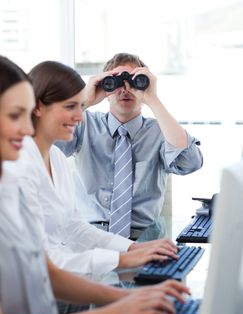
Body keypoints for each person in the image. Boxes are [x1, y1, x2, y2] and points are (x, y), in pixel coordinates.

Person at [0, 55, 191, 314]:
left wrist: (127, 290)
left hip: (53, 309)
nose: (26, 129)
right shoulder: (19, 172)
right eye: (16, 116)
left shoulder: (52, 164)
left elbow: (48, 263)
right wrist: (116, 298)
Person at [14, 60, 179, 279]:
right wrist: (122, 259)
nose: (81, 116)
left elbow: (73, 227)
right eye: (71, 106)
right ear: (37, 107)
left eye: (79, 106)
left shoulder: (56, 159)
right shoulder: (19, 167)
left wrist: (131, 249)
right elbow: (39, 260)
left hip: (63, 274)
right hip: (39, 284)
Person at [57, 52, 203, 240]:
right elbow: (40, 147)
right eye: (115, 82)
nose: (125, 89)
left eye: (135, 81)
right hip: (89, 234)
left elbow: (190, 163)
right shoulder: (83, 123)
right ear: (104, 87)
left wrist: (153, 99)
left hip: (144, 237)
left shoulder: (161, 131)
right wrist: (83, 101)